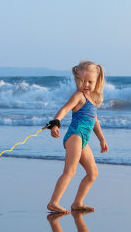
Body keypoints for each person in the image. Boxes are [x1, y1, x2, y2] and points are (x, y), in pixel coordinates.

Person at [46, 60, 108, 213]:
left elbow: (94, 121)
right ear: (76, 80)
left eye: (90, 81)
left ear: (97, 81)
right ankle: (53, 202)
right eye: (82, 81)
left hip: (84, 140)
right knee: (70, 171)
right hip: (75, 136)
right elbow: (64, 109)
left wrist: (101, 139)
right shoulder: (79, 96)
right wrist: (55, 123)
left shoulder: (93, 99)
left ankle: (77, 203)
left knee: (93, 173)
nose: (86, 84)